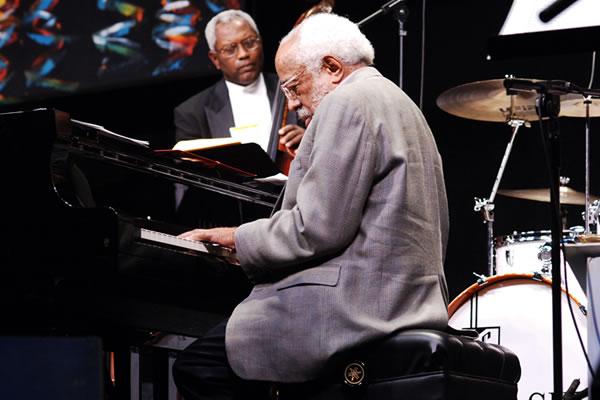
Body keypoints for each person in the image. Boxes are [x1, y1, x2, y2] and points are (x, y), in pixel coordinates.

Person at [172, 12, 450, 400]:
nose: (291, 103)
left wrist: (238, 238)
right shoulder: (400, 102)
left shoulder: (347, 102)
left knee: (200, 366)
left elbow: (315, 228)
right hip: (403, 298)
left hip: (355, 307)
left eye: (293, 86)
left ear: (332, 67)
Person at [173, 9, 304, 153]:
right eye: (230, 49)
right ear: (215, 59)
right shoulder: (192, 113)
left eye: (249, 43)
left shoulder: (296, 88)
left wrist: (308, 139)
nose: (243, 54)